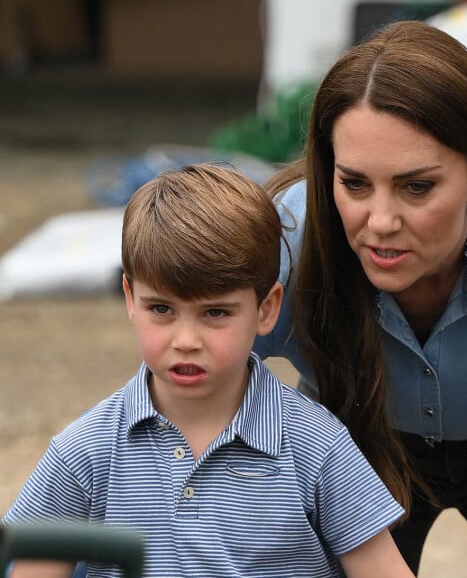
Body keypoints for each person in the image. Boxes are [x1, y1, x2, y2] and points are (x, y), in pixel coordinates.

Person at [253, 19, 467, 578]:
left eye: (417, 186)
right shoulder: (283, 243)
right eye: (354, 183)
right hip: (356, 446)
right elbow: (186, 401)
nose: (379, 223)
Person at [2, 164, 414, 577]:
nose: (186, 340)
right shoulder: (85, 452)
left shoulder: (317, 446)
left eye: (215, 312)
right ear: (130, 298)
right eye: (161, 309)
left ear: (266, 308)